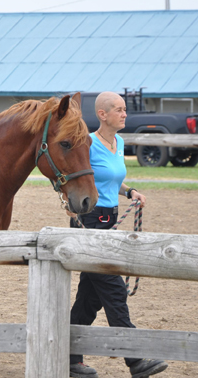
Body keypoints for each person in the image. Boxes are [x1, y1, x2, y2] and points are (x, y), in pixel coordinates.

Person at [67, 91, 168, 378]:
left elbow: (112, 178)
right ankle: (135, 360)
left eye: (124, 109)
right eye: (119, 109)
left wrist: (130, 192)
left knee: (89, 298)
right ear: (102, 114)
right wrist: (68, 205)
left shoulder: (118, 142)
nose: (124, 114)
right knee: (114, 290)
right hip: (89, 221)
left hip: (109, 222)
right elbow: (72, 175)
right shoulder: (87, 143)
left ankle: (69, 357)